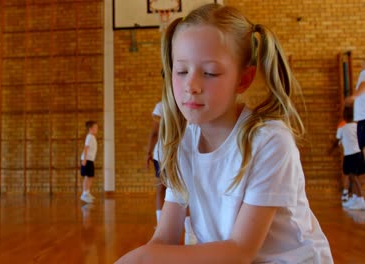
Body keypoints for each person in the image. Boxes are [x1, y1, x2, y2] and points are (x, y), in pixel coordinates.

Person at [117, 3, 332, 263]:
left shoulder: (270, 141)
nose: (191, 86)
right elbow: (164, 240)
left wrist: (143, 258)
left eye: (209, 73)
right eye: (181, 70)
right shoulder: (180, 141)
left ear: (243, 80)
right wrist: (144, 255)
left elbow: (240, 251)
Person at [146, 100, 197, 245]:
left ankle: (189, 232)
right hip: (163, 153)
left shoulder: (189, 102)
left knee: (185, 191)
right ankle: (161, 226)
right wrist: (148, 152)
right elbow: (155, 132)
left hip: (184, 152)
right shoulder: (161, 106)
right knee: (164, 188)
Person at [334, 106, 365, 210]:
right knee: (352, 176)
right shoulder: (356, 126)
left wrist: (330, 149)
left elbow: (337, 141)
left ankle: (360, 199)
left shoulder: (343, 127)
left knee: (353, 176)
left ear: (345, 116)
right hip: (357, 154)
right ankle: (356, 197)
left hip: (351, 155)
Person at [80, 120, 98, 203]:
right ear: (90, 129)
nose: (97, 129)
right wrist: (84, 159)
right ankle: (84, 194)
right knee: (87, 176)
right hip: (87, 159)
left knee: (91, 176)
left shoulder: (92, 137)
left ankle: (87, 192)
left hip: (90, 159)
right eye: (95, 127)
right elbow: (86, 147)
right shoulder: (89, 136)